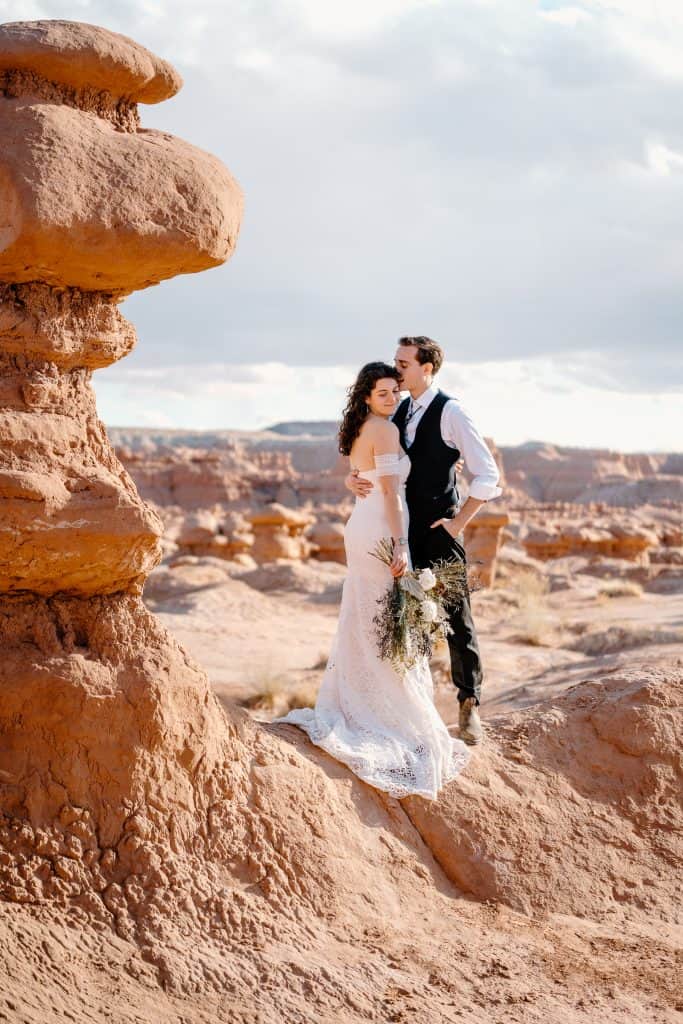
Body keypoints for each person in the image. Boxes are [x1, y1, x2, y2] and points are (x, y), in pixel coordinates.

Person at [273, 361, 471, 800]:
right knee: (386, 619)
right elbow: (389, 493)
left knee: (371, 616)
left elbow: (363, 477)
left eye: (395, 392)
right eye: (382, 392)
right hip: (381, 527)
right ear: (366, 395)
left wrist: (354, 483)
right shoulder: (382, 430)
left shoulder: (364, 426)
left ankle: (366, 703)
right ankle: (387, 714)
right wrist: (401, 544)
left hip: (362, 525)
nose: (391, 398)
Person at [346, 337, 502, 746]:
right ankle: (410, 708)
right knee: (405, 618)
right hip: (397, 530)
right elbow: (375, 456)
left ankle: (469, 704)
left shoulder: (452, 412)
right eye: (396, 363)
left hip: (436, 531)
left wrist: (457, 523)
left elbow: (487, 476)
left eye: (404, 364)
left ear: (427, 368)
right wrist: (352, 477)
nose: (397, 371)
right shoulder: (395, 406)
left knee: (455, 617)